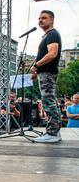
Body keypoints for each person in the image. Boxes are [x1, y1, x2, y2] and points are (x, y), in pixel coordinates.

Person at [30, 10, 62, 143]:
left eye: (44, 18)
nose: (40, 20)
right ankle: (53, 131)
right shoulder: (47, 35)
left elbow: (52, 54)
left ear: (52, 19)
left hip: (48, 74)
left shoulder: (53, 34)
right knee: (49, 101)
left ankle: (53, 133)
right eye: (39, 18)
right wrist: (36, 71)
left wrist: (36, 65)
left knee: (49, 102)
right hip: (45, 73)